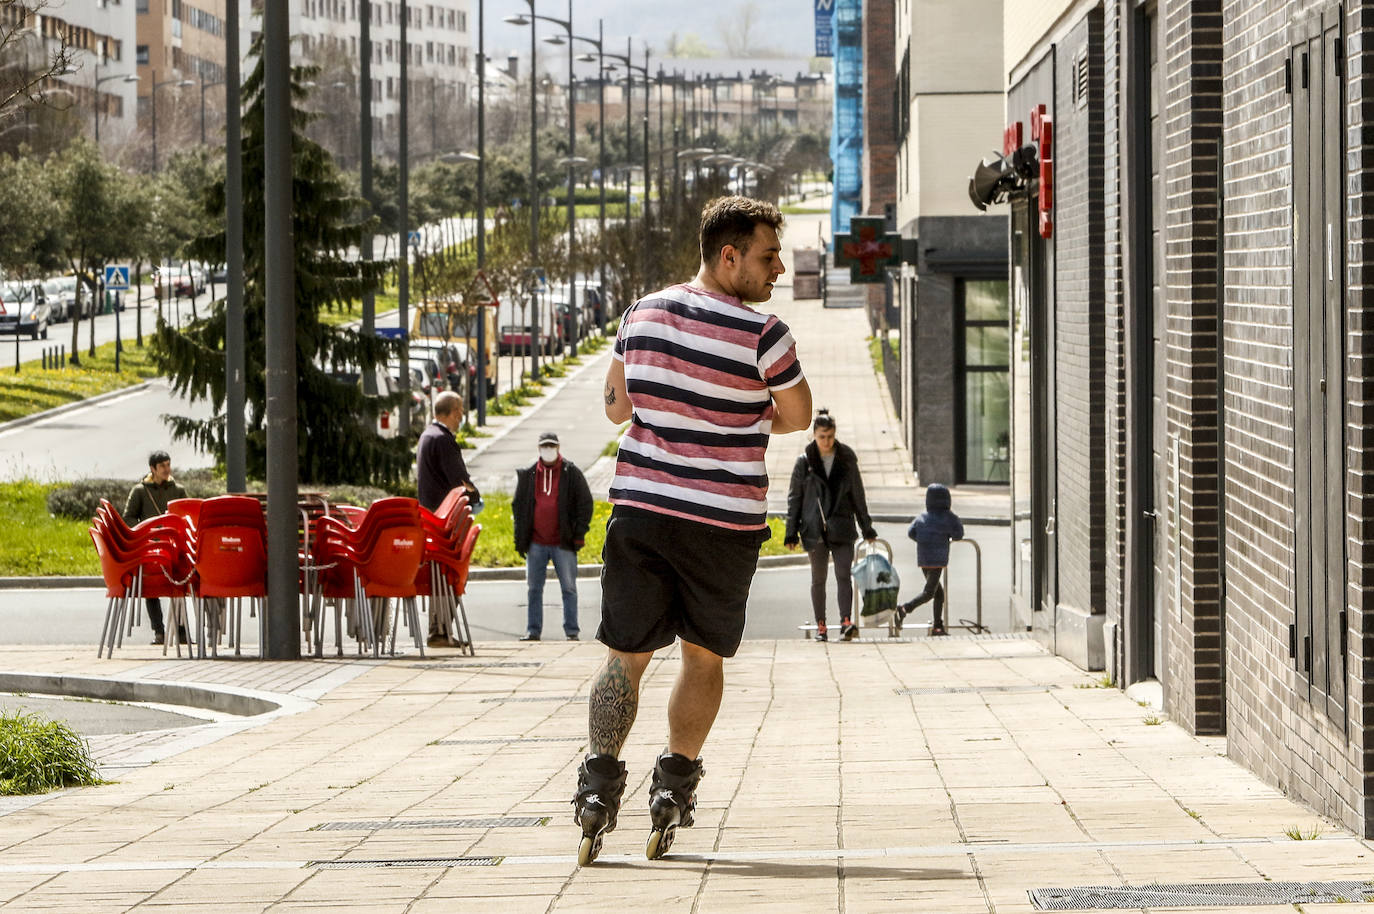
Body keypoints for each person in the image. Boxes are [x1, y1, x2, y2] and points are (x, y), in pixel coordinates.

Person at [572, 196, 813, 866]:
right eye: (768, 257)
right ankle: (672, 789)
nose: (779, 270)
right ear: (728, 256)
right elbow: (797, 415)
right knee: (702, 656)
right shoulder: (766, 336)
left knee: (627, 654)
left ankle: (596, 788)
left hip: (642, 510)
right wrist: (740, 411)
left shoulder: (640, 312)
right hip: (722, 521)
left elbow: (618, 407)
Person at [784, 409, 878, 642]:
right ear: (814, 435)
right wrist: (790, 533)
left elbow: (858, 494)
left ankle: (846, 621)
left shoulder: (846, 459)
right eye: (822, 437)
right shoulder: (804, 463)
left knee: (844, 575)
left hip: (842, 526)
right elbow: (795, 498)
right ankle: (821, 625)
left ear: (835, 435)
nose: (826, 441)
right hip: (814, 528)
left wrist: (867, 527)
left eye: (830, 436)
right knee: (818, 579)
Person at [512, 431, 594, 642]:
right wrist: (520, 539)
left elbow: (585, 503)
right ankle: (533, 630)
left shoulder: (571, 472)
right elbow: (519, 507)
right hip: (536, 543)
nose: (548, 450)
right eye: (545, 446)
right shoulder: (528, 474)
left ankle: (572, 631)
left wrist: (578, 534)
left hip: (563, 543)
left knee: (568, 587)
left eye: (552, 446)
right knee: (534, 589)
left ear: (558, 448)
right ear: (539, 448)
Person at [415, 390, 480, 646]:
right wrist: (475, 497)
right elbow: (461, 481)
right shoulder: (443, 440)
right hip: (446, 524)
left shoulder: (427, 436)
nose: (462, 416)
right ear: (453, 412)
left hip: (432, 519)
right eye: (461, 411)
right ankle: (440, 631)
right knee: (450, 574)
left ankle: (439, 630)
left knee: (441, 576)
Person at [123, 450, 187, 646]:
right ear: (153, 469)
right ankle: (158, 631)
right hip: (150, 546)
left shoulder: (178, 490)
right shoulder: (140, 491)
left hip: (173, 545)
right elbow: (129, 517)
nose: (167, 470)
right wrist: (147, 529)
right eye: (162, 466)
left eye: (168, 465)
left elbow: (185, 514)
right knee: (152, 588)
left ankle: (182, 633)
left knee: (179, 587)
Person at [897, 483, 964, 636]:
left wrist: (923, 541)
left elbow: (911, 532)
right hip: (938, 559)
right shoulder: (949, 517)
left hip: (924, 559)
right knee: (929, 593)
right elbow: (959, 534)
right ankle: (904, 609)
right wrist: (948, 537)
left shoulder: (922, 517)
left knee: (938, 593)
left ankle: (938, 626)